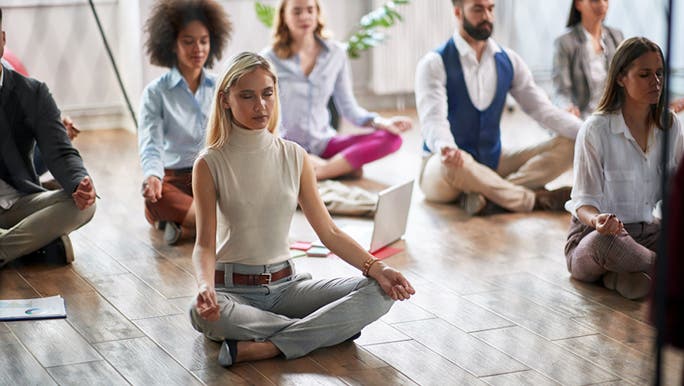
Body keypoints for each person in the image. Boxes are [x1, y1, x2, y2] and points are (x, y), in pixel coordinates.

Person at [188, 52, 414, 367]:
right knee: (201, 316)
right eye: (247, 96)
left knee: (381, 291)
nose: (261, 106)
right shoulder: (209, 163)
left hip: (288, 289)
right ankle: (324, 330)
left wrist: (378, 268)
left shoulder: (295, 156)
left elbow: (330, 231)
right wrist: (204, 287)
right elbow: (204, 244)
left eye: (267, 94)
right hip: (232, 291)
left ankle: (266, 347)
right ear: (225, 99)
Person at [415, 0, 583, 216]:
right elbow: (433, 120)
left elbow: (544, 111)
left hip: (491, 162)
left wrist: (590, 134)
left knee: (572, 143)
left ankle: (489, 195)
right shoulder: (434, 63)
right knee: (455, 162)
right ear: (458, 13)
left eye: (490, 8)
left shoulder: (509, 60)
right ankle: (533, 199)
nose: (487, 15)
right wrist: (446, 148)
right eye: (478, 9)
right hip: (444, 170)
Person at [564, 37, 683, 300]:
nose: (656, 82)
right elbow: (582, 203)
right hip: (596, 238)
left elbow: (677, 191)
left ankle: (620, 276)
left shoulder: (670, 125)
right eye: (644, 74)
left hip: (648, 234)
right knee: (607, 243)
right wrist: (598, 221)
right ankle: (668, 273)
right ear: (620, 78)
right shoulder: (595, 129)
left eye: (659, 73)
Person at [262, 0, 412, 180]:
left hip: (324, 143)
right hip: (286, 147)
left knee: (392, 139)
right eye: (297, 12)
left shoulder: (336, 53)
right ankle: (337, 168)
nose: (305, 16)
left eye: (310, 10)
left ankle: (320, 171)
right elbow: (264, 112)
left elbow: (349, 108)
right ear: (284, 16)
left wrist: (382, 122)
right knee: (355, 171)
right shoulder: (267, 59)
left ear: (317, 13)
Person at [0, 8, 96, 267]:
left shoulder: (33, 93)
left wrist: (79, 184)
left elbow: (60, 152)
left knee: (83, 204)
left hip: (20, 202)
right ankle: (37, 245)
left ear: (2, 40)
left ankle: (7, 247)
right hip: (23, 218)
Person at [138, 0, 231, 245]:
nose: (197, 49)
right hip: (174, 181)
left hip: (213, 177)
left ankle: (187, 229)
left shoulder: (221, 87)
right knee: (156, 198)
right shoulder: (155, 93)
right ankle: (221, 226)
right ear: (172, 44)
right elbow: (151, 144)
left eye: (203, 40)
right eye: (188, 41)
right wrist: (153, 177)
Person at [552, 0, 623, 119]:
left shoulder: (616, 37)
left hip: (613, 117)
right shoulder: (564, 43)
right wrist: (567, 107)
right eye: (594, 0)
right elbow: (561, 92)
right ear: (578, 4)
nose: (602, 4)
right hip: (582, 120)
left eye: (605, 0)